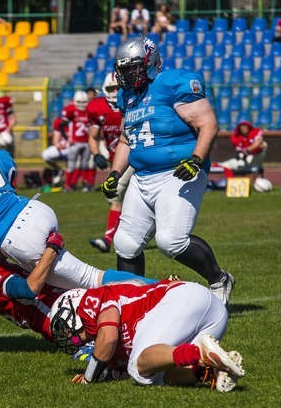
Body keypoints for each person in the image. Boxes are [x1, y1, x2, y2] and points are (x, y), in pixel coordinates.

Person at [0, 136, 156, 291]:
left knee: (89, 279)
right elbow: (7, 192)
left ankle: (161, 288)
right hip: (37, 210)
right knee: (57, 283)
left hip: (18, 235)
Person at [101, 36, 235, 305]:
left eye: (133, 67)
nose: (127, 75)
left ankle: (220, 279)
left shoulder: (174, 83)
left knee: (170, 240)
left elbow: (208, 124)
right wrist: (115, 173)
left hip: (179, 171)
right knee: (125, 243)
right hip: (142, 176)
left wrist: (196, 159)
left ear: (150, 62)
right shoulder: (128, 95)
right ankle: (132, 302)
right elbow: (127, 139)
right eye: (123, 69)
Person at [48, 280, 245, 391]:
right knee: (158, 370)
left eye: (63, 327)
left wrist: (88, 378)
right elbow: (113, 361)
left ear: (72, 306)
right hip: (214, 313)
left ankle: (200, 353)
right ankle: (209, 371)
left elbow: (108, 337)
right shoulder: (108, 353)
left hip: (183, 299)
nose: (66, 334)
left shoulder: (90, 301)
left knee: (137, 366)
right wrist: (104, 374)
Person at [87, 73, 133, 253]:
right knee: (122, 199)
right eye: (111, 89)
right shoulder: (97, 108)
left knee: (115, 193)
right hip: (115, 157)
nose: (114, 92)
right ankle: (126, 234)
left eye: (117, 88)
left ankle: (107, 239)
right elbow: (92, 136)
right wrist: (97, 153)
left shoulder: (131, 103)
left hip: (135, 155)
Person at [63, 91, 93, 191]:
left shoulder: (89, 110)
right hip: (75, 142)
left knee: (85, 164)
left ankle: (84, 184)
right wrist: (68, 138)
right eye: (79, 102)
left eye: (83, 102)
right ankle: (67, 185)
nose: (81, 104)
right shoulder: (70, 110)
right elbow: (62, 125)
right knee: (71, 165)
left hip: (86, 141)